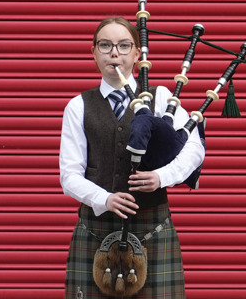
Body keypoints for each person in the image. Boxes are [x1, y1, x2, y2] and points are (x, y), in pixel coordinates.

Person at [60, 16, 205, 298]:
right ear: (93, 52)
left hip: (153, 228)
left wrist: (162, 176)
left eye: (124, 46)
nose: (114, 53)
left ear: (137, 54)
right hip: (95, 229)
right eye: (105, 45)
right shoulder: (78, 106)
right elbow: (69, 175)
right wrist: (105, 198)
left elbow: (194, 148)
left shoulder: (161, 97)